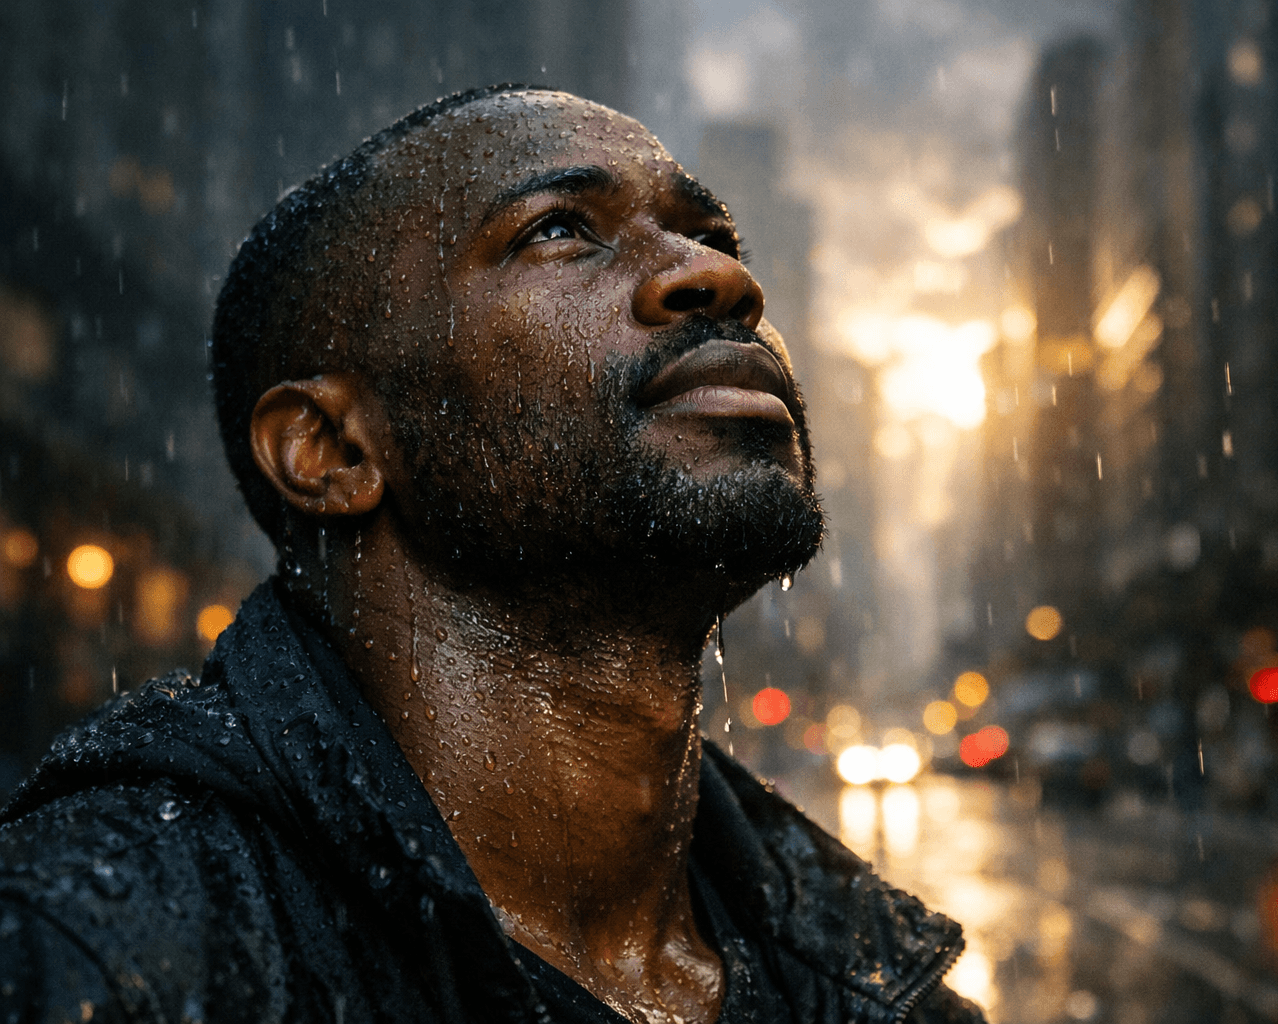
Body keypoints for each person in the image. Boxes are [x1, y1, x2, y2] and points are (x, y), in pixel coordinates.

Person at [0, 85, 983, 1024]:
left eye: (716, 238)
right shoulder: (82, 958)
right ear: (331, 450)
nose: (723, 278)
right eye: (558, 229)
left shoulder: (881, 985)